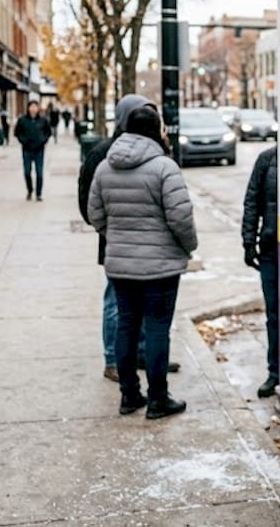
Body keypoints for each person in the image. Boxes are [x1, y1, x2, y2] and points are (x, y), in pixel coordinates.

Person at [88, 105, 197, 420]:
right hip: (160, 267)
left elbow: (95, 214)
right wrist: (187, 247)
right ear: (155, 130)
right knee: (157, 329)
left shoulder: (105, 167)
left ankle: (129, 395)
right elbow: (181, 217)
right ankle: (158, 400)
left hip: (120, 265)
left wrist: (117, 236)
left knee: (127, 325)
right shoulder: (164, 167)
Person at [78, 94, 180, 383]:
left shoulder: (158, 153)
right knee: (120, 307)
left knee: (132, 310)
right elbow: (88, 204)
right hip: (123, 246)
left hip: (120, 245)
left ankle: (143, 356)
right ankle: (114, 360)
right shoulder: (102, 154)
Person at [241, 146, 279, 398]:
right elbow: (252, 201)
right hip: (271, 249)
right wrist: (248, 240)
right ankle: (275, 371)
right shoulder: (267, 159)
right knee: (273, 314)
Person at [14, 100, 52, 200]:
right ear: (28, 108)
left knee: (39, 173)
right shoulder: (22, 120)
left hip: (39, 150)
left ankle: (38, 194)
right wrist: (23, 141)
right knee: (27, 172)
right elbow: (17, 133)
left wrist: (43, 140)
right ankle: (30, 190)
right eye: (31, 106)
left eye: (35, 106)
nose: (33, 109)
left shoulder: (43, 120)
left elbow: (48, 132)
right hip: (27, 149)